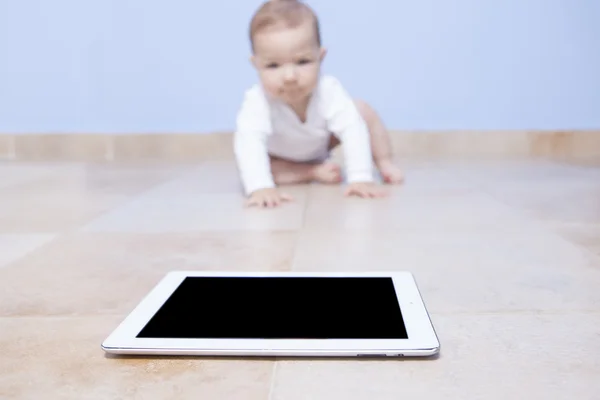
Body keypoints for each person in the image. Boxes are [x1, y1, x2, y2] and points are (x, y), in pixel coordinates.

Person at [234, 0, 404, 208]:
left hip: (321, 143)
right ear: (256, 65)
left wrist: (360, 177)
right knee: (265, 168)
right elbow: (249, 143)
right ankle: (310, 172)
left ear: (320, 57)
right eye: (273, 65)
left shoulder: (329, 90)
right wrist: (260, 187)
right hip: (280, 156)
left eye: (302, 62)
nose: (289, 76)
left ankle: (384, 162)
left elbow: (352, 129)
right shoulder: (257, 101)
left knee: (361, 111)